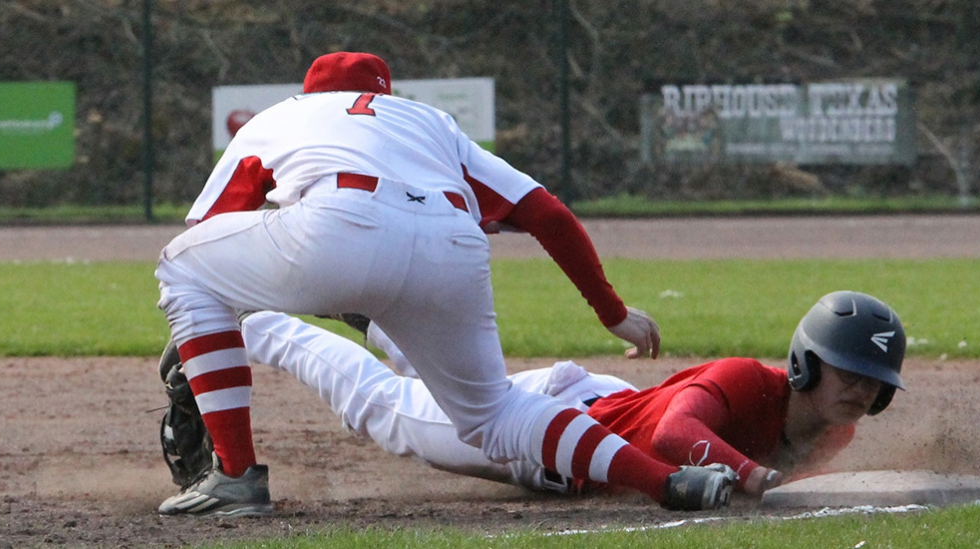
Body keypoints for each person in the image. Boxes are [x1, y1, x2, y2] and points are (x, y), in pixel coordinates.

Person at [152, 51, 733, 517]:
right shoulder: (428, 122)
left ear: (309, 92)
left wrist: (208, 338)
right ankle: (668, 482)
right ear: (384, 94)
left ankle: (235, 474)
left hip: (336, 225)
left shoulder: (281, 116)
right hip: (451, 240)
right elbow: (548, 214)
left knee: (182, 268)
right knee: (495, 415)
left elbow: (208, 230)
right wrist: (613, 314)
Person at [234, 290, 906, 499]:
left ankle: (376, 319)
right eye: (847, 371)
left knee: (455, 386)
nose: (859, 389)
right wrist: (754, 476)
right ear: (804, 363)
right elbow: (673, 435)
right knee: (384, 410)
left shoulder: (835, 430)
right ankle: (248, 321)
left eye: (873, 382)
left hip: (604, 407)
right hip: (558, 428)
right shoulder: (743, 378)